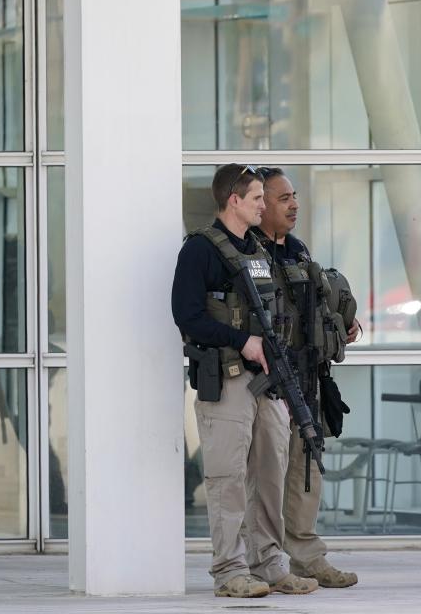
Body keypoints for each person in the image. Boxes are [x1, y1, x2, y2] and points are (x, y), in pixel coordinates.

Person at [171, 164, 318, 598]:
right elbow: (187, 316)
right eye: (257, 197)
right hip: (229, 378)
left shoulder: (259, 250)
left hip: (267, 382)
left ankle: (270, 564)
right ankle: (230, 569)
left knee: (272, 473)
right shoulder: (200, 250)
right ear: (233, 200)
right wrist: (242, 341)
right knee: (227, 477)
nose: (263, 204)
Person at [251, 167, 360, 588]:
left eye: (294, 196)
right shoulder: (248, 255)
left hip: (308, 378)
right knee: (267, 474)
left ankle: (307, 555)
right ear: (259, 206)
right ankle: (268, 559)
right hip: (269, 382)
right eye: (283, 198)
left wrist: (340, 326)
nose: (294, 204)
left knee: (307, 467)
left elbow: (312, 304)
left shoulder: (296, 250)